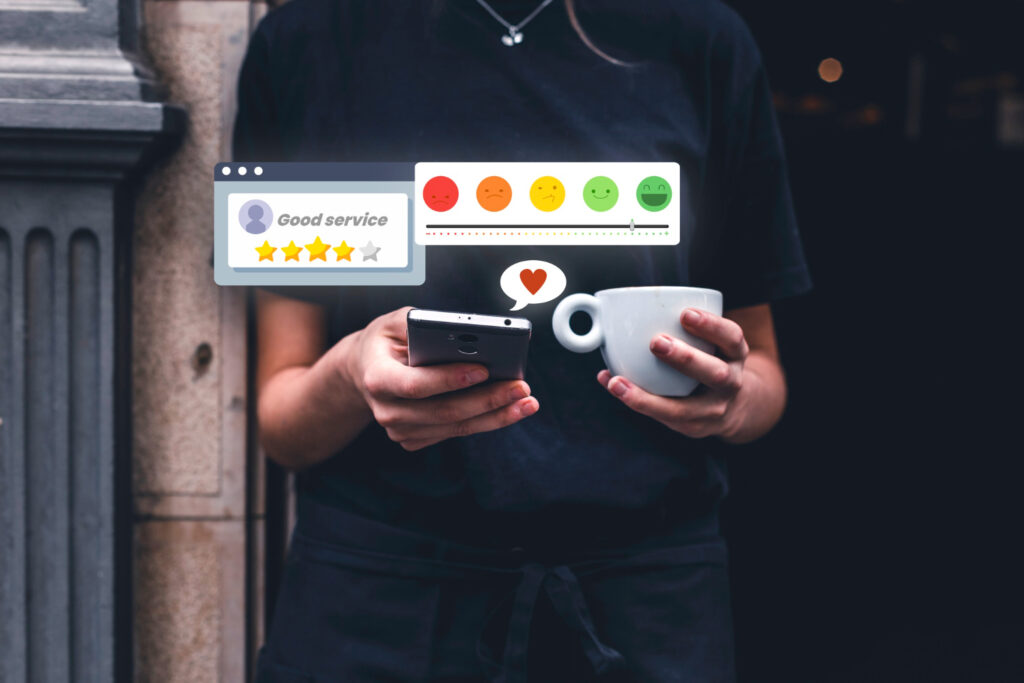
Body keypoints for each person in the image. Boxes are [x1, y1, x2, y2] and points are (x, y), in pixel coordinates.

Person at [235, 0, 811, 680]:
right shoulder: (310, 41)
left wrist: (733, 400)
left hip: (642, 610)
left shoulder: (701, 38)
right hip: (381, 607)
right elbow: (281, 422)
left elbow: (765, 375)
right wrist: (349, 374)